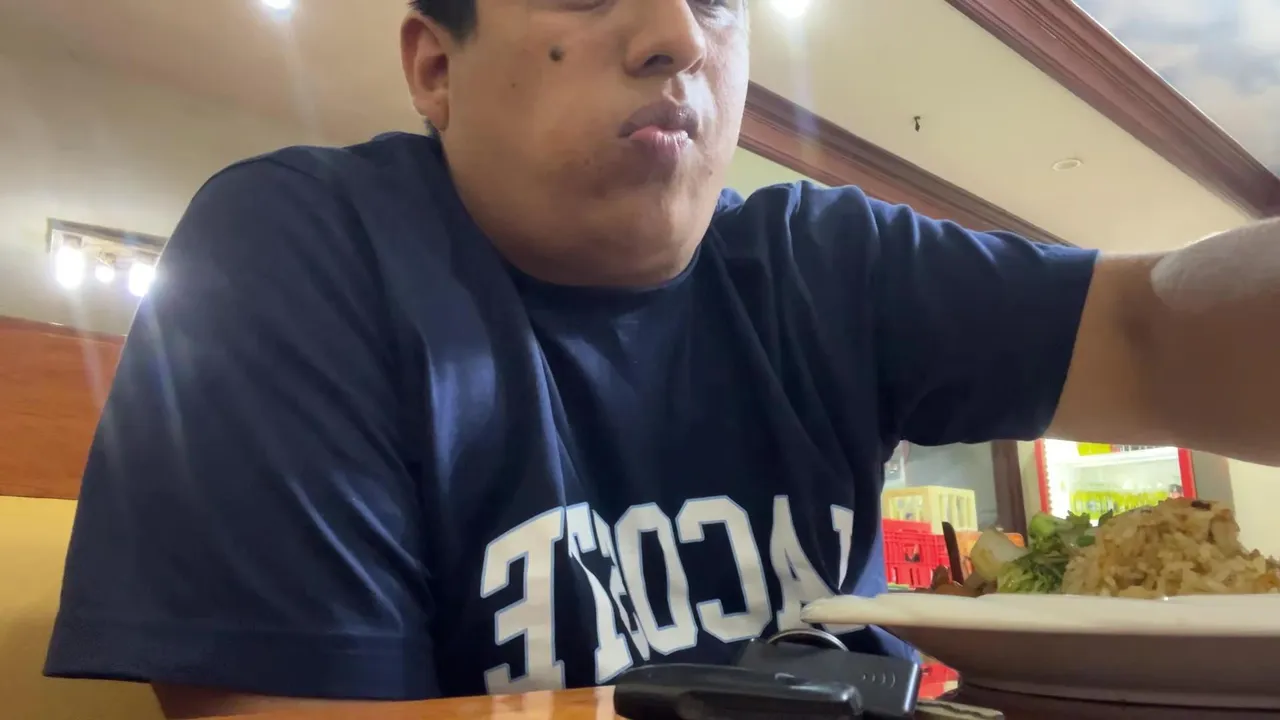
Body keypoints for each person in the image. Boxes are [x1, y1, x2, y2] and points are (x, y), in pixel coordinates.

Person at [43, 0, 1280, 717]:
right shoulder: (298, 249)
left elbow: (1148, 327)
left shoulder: (828, 262)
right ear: (434, 66)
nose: (678, 34)